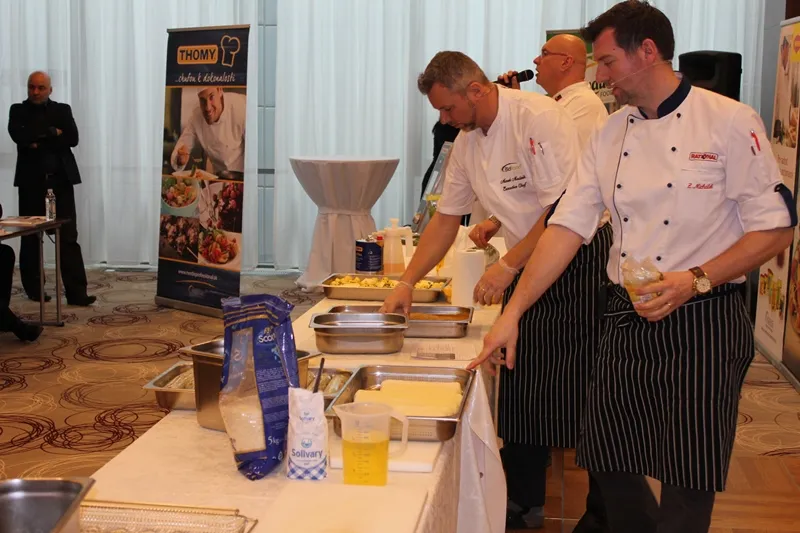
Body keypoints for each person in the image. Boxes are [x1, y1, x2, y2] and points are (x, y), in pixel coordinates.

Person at [470, 2, 796, 531]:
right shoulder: (610, 132)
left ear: (647, 51)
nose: (601, 77)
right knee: (605, 453)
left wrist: (695, 280)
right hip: (626, 314)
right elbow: (567, 227)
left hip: (704, 318)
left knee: (688, 469)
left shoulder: (730, 121)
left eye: (607, 62)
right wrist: (514, 311)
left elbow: (776, 228)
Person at [380, 51, 612, 530]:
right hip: (528, 255)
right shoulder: (467, 142)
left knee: (586, 389)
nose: (445, 120)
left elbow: (561, 211)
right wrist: (407, 281)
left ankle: (606, 513)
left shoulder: (537, 116)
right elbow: (446, 220)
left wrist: (508, 266)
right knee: (521, 377)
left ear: (476, 90)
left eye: (448, 109)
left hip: (579, 255)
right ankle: (523, 500)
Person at [488, 33, 611, 533]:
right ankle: (527, 491)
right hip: (550, 243)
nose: (535, 60)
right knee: (532, 377)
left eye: (543, 54)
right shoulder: (553, 105)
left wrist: (511, 264)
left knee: (558, 379)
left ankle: (557, 501)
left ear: (567, 62)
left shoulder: (578, 110)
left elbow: (563, 196)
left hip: (573, 252)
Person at [8, 71, 95, 306]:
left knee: (68, 238)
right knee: (31, 238)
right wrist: (53, 132)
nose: (35, 92)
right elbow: (19, 135)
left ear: (50, 90)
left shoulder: (62, 110)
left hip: (60, 183)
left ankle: (77, 293)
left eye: (41, 88)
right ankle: (35, 289)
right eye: (31, 87)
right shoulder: (18, 110)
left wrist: (38, 138)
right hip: (31, 184)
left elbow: (73, 138)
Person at [170, 86, 246, 176]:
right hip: (217, 177)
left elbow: (254, 151)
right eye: (202, 100)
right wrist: (180, 159)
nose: (208, 108)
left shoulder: (241, 107)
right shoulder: (196, 116)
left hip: (243, 176)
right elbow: (182, 147)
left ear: (220, 90)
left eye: (211, 97)